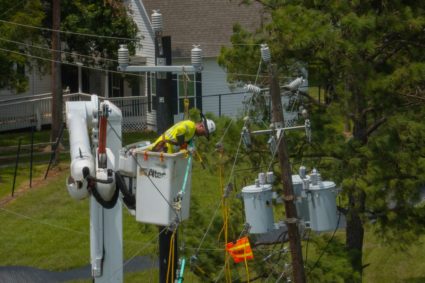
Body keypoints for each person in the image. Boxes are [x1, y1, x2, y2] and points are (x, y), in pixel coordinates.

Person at [149, 116, 216, 153]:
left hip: (167, 149)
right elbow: (179, 130)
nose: (202, 135)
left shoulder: (192, 132)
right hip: (161, 146)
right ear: (201, 126)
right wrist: (183, 146)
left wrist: (189, 146)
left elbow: (185, 139)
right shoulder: (191, 126)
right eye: (203, 133)